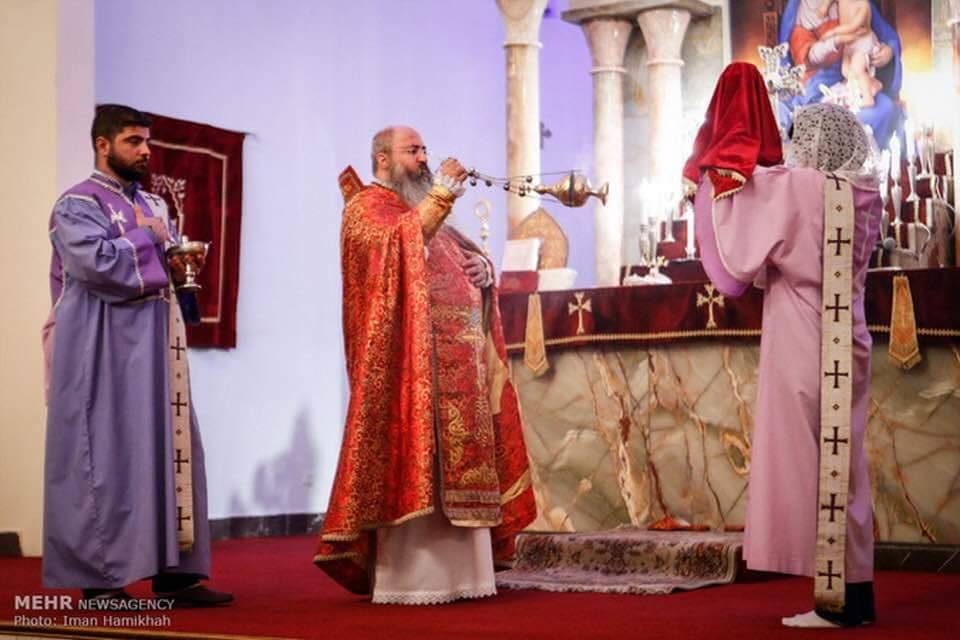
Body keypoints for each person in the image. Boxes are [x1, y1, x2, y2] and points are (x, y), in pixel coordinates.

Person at [683, 64, 881, 627]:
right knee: (848, 466)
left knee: (806, 463)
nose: (791, 151)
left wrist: (711, 162)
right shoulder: (867, 193)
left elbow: (733, 206)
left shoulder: (797, 187)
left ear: (813, 143)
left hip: (802, 332)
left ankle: (833, 602)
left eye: (798, 141)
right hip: (851, 335)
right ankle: (854, 595)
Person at [313, 125, 536, 604]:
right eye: (412, 150)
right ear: (382, 159)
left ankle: (470, 573)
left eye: (424, 149)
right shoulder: (365, 210)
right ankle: (415, 580)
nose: (423, 157)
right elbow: (398, 248)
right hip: (405, 372)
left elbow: (456, 260)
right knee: (419, 458)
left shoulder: (421, 209)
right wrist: (441, 196)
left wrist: (484, 273)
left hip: (459, 367)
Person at [42, 104, 232, 607]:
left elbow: (160, 269)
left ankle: (175, 572)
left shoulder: (152, 202)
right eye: (132, 141)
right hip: (99, 350)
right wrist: (149, 237)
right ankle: (100, 582)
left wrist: (181, 263)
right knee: (105, 456)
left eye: (146, 141)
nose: (145, 151)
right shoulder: (76, 204)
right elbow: (97, 265)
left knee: (171, 451)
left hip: (156, 349)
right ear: (102, 145)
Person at [780, 0, 901, 146]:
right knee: (833, 121)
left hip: (856, 78)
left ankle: (869, 164)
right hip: (819, 86)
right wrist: (834, 41)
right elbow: (805, 57)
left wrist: (888, 52)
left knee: (885, 108)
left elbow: (885, 36)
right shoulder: (803, 8)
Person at [818, 0, 882, 107]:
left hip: (863, 41)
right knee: (846, 71)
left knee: (857, 68)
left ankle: (868, 98)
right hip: (850, 42)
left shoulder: (863, 5)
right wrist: (825, 6)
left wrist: (833, 33)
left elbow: (853, 27)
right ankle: (873, 83)